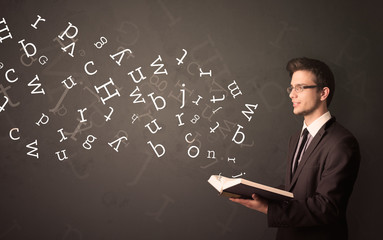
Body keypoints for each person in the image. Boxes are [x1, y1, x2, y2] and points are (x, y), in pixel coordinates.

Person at [230, 57, 360, 240]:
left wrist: (269, 208)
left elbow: (328, 207)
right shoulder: (296, 138)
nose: (292, 94)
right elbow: (297, 191)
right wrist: (256, 193)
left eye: (300, 88)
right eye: (291, 88)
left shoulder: (342, 142)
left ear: (323, 93)